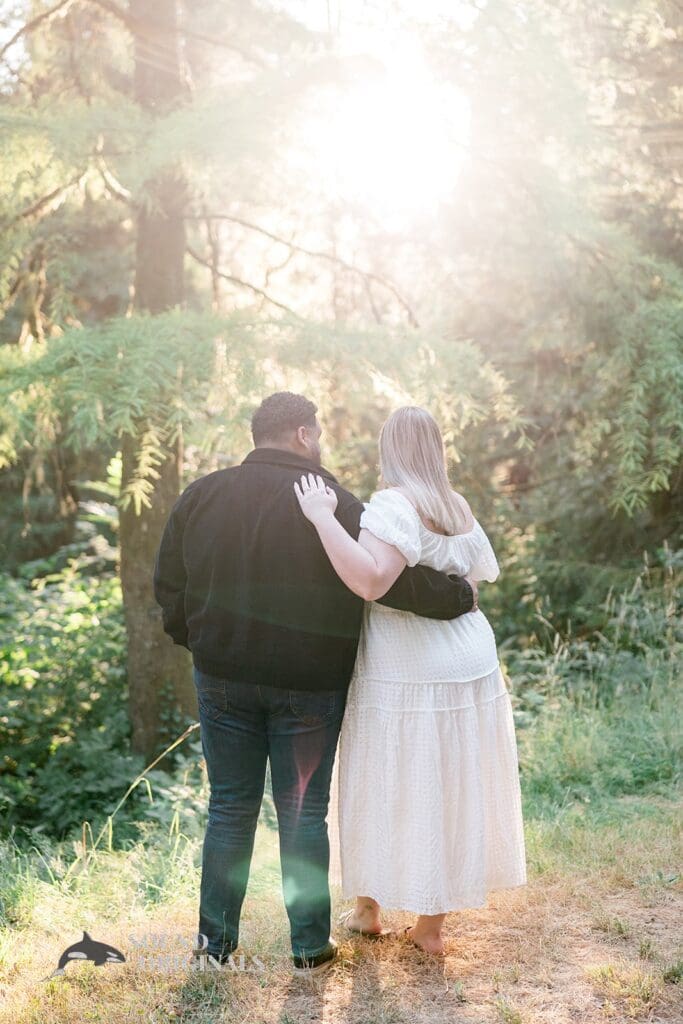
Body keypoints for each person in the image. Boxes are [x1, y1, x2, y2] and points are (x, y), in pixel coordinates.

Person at [153, 392, 477, 976]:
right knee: (303, 812)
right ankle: (307, 947)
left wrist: (202, 643)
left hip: (222, 678)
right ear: (303, 434)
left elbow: (168, 587)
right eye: (319, 431)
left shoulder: (200, 496)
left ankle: (215, 948)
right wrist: (462, 595)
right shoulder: (335, 502)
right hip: (310, 686)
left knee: (229, 807)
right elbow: (391, 582)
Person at [293, 405, 526, 957]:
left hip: (406, 669)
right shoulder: (457, 505)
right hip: (469, 661)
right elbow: (471, 581)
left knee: (383, 780)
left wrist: (323, 517)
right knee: (446, 787)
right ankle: (428, 927)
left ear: (388, 450)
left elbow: (373, 581)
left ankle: (371, 911)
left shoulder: (393, 505)